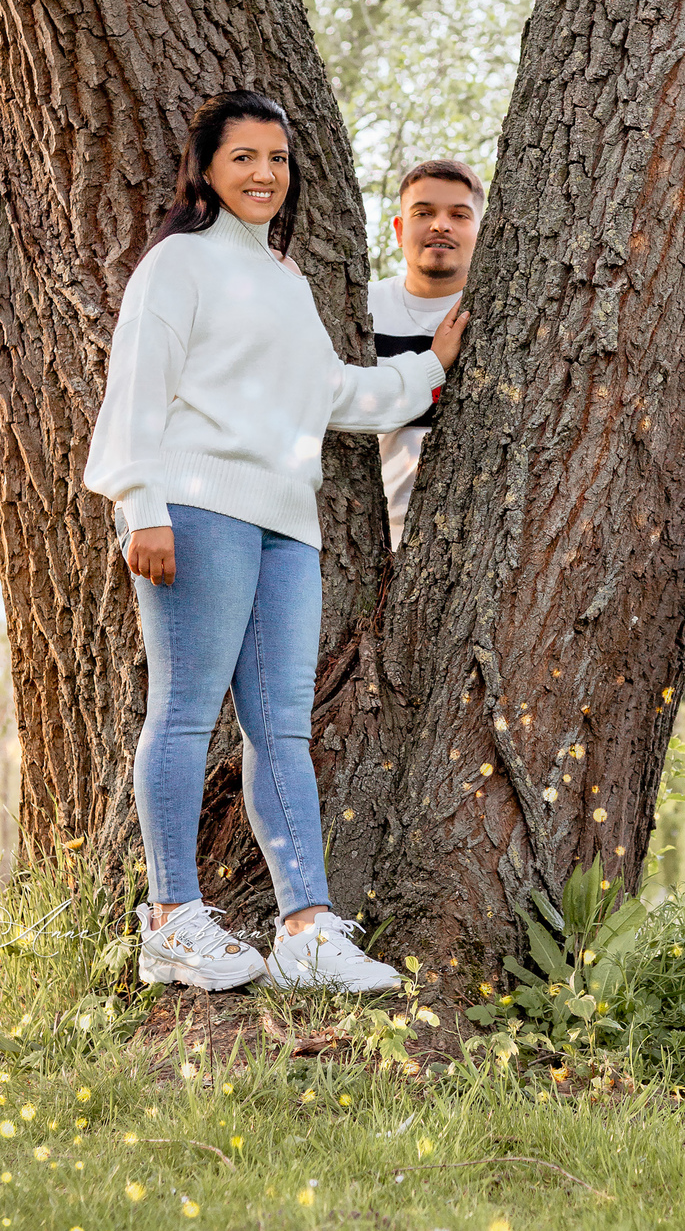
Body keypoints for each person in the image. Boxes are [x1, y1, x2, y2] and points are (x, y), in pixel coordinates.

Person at [84, 90, 467, 994]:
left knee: (279, 729)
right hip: (196, 507)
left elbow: (328, 393)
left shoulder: (286, 279)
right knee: (183, 712)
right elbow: (137, 380)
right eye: (245, 157)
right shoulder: (179, 264)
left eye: (278, 160)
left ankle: (306, 931)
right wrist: (142, 503)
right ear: (207, 167)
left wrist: (428, 366)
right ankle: (172, 919)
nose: (265, 174)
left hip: (287, 523)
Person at [368, 159, 483, 549]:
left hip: (478, 549)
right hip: (369, 542)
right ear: (400, 230)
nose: (440, 225)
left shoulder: (503, 315)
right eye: (424, 213)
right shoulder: (361, 309)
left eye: (459, 214)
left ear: (482, 232)